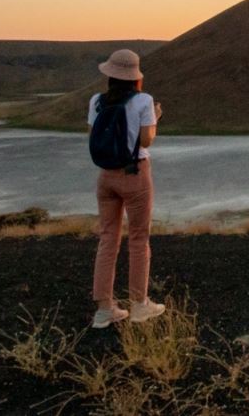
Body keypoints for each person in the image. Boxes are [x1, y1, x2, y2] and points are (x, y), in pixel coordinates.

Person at [87, 48, 166, 328]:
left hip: (105, 175)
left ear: (110, 74)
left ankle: (104, 310)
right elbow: (146, 141)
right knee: (138, 239)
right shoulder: (144, 101)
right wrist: (154, 117)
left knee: (108, 238)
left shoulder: (96, 101)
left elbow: (94, 136)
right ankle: (139, 305)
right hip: (135, 174)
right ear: (135, 77)